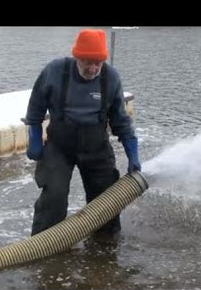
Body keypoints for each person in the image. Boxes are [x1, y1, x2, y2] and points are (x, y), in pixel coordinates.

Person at [24, 29, 141, 236]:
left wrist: (133, 154)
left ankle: (104, 251)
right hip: (60, 147)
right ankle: (43, 248)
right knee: (54, 198)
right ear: (77, 57)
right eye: (88, 62)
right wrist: (34, 140)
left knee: (106, 203)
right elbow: (35, 111)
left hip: (95, 147)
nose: (93, 68)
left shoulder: (111, 78)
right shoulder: (55, 71)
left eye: (98, 63)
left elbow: (121, 122)